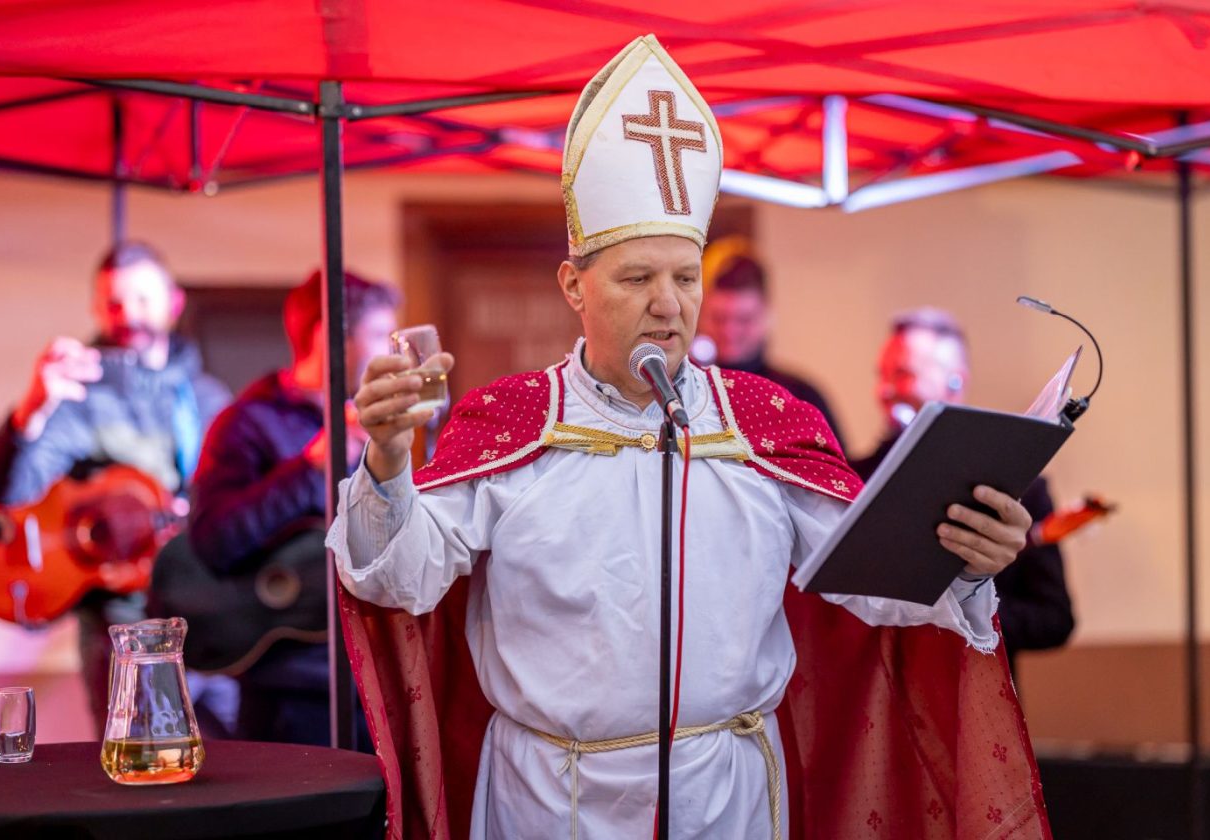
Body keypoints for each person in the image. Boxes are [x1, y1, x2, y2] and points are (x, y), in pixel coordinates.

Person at [330, 35, 1049, 839]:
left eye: (686, 275)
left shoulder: (764, 423)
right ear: (574, 284)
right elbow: (399, 582)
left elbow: (875, 583)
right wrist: (388, 462)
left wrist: (969, 563)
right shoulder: (513, 422)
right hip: (551, 797)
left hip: (729, 793)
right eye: (637, 278)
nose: (668, 305)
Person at [0, 241, 234, 735]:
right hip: (124, 632)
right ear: (96, 308)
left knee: (229, 767)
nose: (128, 314)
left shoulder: (206, 398)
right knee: (140, 770)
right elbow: (5, 492)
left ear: (173, 302)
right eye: (113, 302)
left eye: (141, 299)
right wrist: (32, 408)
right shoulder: (78, 395)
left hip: (210, 616)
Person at [187, 269, 397, 748]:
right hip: (290, 693)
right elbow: (213, 541)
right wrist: (312, 467)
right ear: (329, 335)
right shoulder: (245, 424)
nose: (391, 350)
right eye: (380, 334)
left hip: (371, 676)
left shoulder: (368, 419)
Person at [852, 307, 1076, 673]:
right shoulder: (852, 479)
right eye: (883, 375)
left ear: (955, 382)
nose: (886, 389)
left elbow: (1053, 620)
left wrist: (964, 605)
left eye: (903, 374)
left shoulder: (1024, 488)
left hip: (976, 699)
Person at [695, 238, 843, 440]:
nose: (730, 332)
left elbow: (841, 470)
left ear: (767, 317)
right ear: (700, 315)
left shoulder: (801, 398)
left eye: (744, 319)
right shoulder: (682, 394)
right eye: (719, 318)